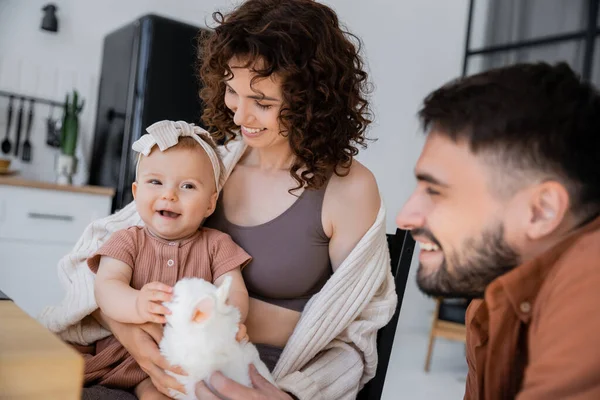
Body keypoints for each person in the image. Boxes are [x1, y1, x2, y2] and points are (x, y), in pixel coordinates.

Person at [39, 1, 397, 399]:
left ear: (312, 101)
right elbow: (103, 258)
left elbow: (355, 332)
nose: (241, 115)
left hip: (256, 379)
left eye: (262, 102)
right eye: (231, 90)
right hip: (145, 362)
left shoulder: (349, 189)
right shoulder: (219, 161)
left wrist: (293, 394)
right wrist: (132, 334)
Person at [396, 62, 600, 399]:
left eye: (435, 191)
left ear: (541, 211)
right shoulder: (491, 299)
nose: (406, 217)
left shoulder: (590, 283)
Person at [79, 120, 252, 399]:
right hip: (126, 357)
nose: (169, 194)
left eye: (187, 186)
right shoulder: (127, 240)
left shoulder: (217, 245)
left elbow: (235, 292)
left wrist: (226, 320)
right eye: (155, 182)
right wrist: (136, 303)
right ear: (136, 193)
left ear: (210, 203)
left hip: (187, 356)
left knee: (180, 389)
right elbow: (106, 287)